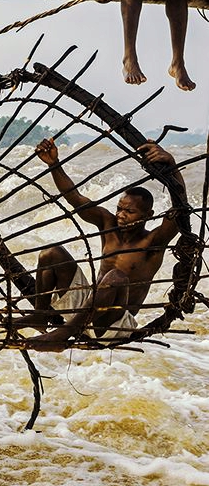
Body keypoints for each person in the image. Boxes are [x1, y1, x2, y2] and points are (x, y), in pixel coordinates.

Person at [13, 137, 185, 351]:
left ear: (148, 215)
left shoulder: (153, 242)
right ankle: (40, 316)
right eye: (119, 209)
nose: (121, 216)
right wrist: (53, 164)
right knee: (51, 253)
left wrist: (171, 165)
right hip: (86, 311)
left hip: (114, 323)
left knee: (116, 277)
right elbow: (74, 197)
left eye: (130, 212)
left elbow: (180, 212)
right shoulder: (108, 224)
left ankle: (65, 333)